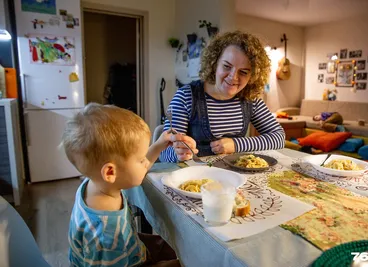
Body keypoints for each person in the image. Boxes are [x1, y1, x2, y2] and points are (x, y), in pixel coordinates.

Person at [62, 103, 180, 267]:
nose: (145, 162)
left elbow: (133, 168)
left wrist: (160, 145)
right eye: (140, 160)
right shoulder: (107, 236)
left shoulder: (97, 183)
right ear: (110, 172)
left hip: (132, 248)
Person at [160, 31, 285, 162]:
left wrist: (236, 145)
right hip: (195, 178)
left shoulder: (250, 99)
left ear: (252, 76)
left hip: (236, 178)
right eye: (226, 66)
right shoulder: (185, 97)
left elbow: (279, 138)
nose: (233, 77)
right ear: (214, 64)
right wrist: (179, 154)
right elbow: (164, 153)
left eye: (243, 72)